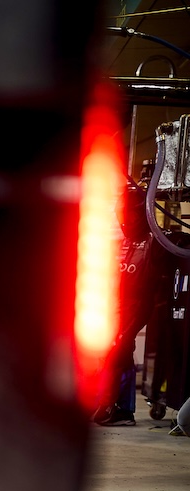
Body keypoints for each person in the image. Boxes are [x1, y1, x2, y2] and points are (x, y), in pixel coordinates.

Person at [92, 160, 168, 426]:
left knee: (117, 350)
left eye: (127, 214)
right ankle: (121, 409)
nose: (123, 219)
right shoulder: (124, 241)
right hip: (117, 305)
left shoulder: (156, 241)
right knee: (116, 352)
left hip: (137, 306)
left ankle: (110, 407)